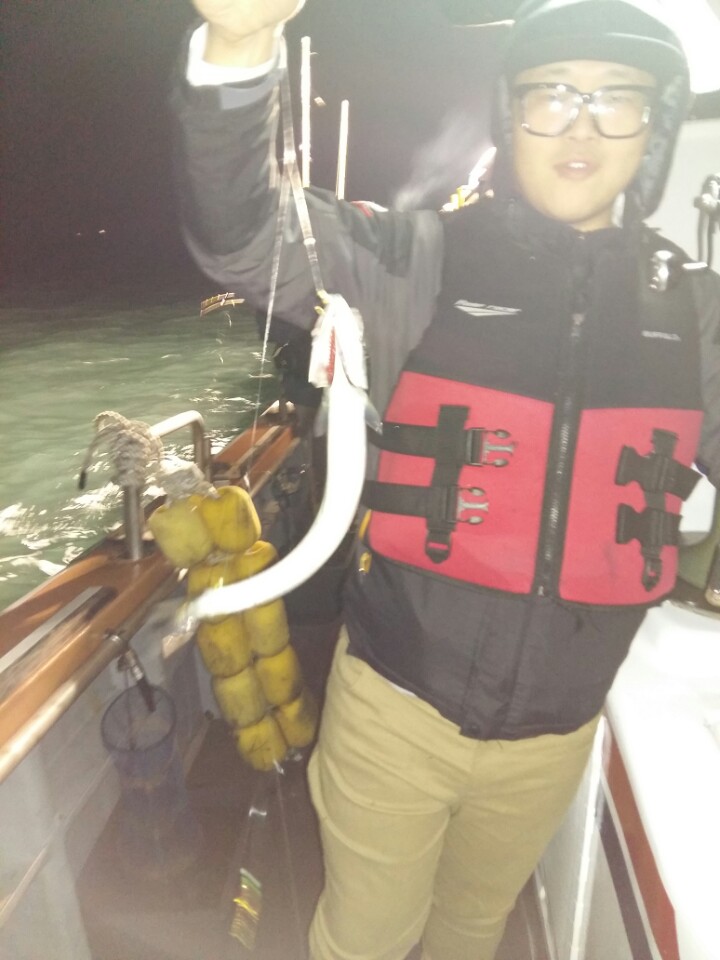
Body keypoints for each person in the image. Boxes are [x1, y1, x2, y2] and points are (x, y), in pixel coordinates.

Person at [172, 1, 720, 958]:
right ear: (512, 115)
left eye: (617, 100)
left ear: (656, 127)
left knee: (472, 930)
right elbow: (244, 238)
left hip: (556, 733)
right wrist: (239, 51)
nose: (582, 127)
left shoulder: (700, 317)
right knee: (365, 939)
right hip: (397, 710)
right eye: (552, 96)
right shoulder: (417, 258)